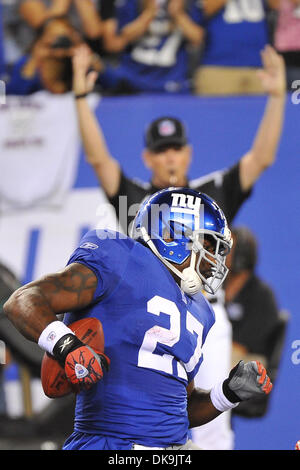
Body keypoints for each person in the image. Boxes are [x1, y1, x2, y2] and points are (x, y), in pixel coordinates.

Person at [3, 188, 272, 450]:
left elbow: (179, 408)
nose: (214, 261)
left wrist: (226, 393)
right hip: (110, 441)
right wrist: (66, 346)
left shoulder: (202, 309)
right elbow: (22, 301)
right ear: (173, 235)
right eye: (209, 244)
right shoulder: (121, 257)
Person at [224, 226, 288, 418]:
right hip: (217, 362)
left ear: (242, 255)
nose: (221, 252)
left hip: (247, 369)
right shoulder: (214, 288)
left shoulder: (262, 296)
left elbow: (240, 348)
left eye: (229, 247)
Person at [181, 0, 280, 95]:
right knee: (216, 111)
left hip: (259, 65)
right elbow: (206, 8)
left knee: (265, 111)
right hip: (219, 66)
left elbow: (277, 5)